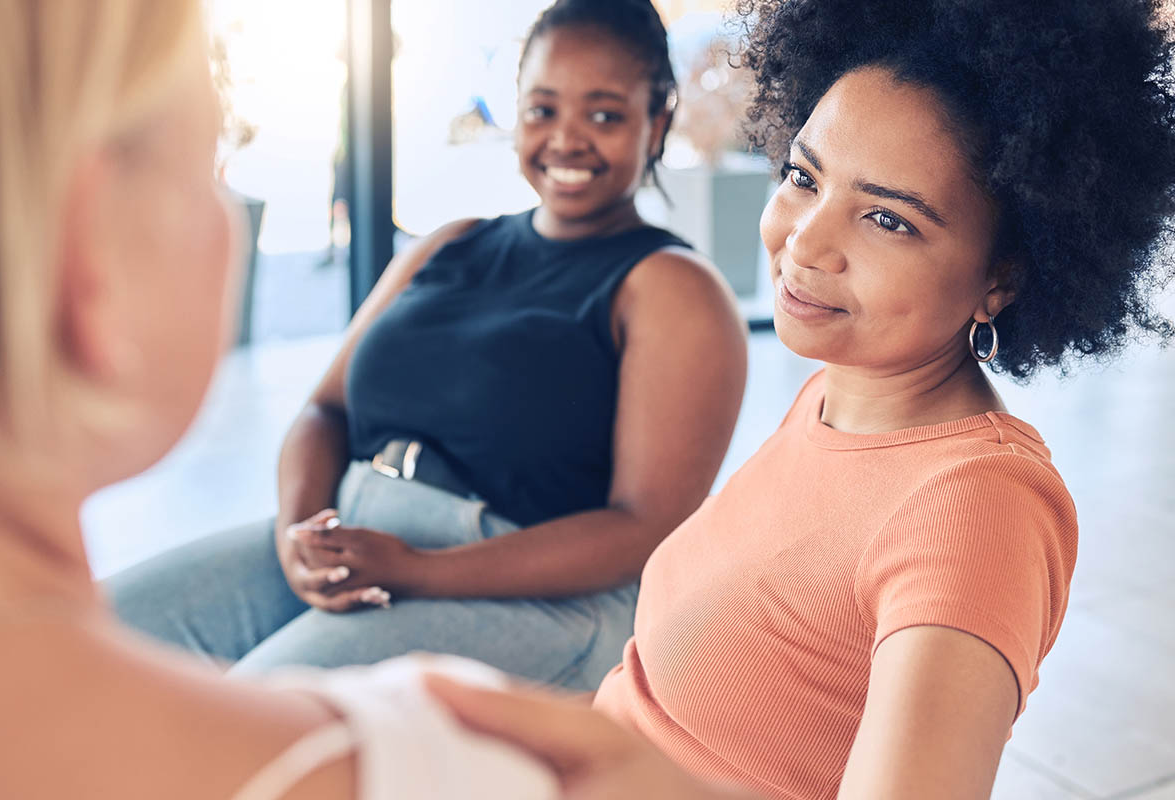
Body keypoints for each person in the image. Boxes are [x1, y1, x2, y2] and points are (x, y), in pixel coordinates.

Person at [421, 0, 1175, 798]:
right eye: (802, 177)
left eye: (887, 219)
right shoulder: (833, 397)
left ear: (1003, 278)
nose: (806, 241)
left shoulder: (978, 505)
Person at [106, 0, 747, 690]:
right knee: (82, 633)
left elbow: (642, 527)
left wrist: (418, 570)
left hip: (529, 591)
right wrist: (299, 536)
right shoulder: (453, 241)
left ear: (656, 124)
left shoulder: (673, 288)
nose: (566, 139)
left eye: (604, 114)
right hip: (360, 535)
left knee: (243, 718)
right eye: (542, 109)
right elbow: (324, 410)